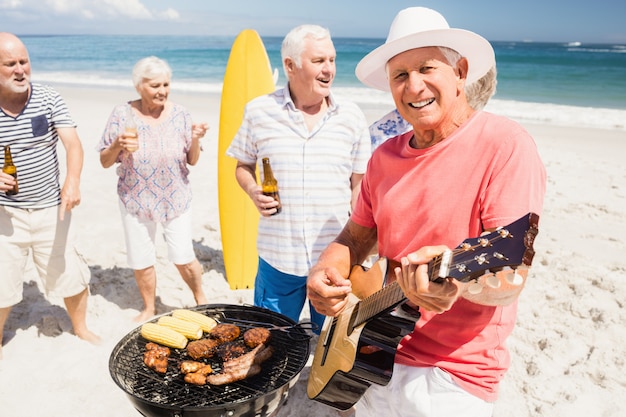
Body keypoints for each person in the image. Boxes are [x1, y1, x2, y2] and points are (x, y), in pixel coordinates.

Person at [307, 7, 546, 417]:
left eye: (426, 67)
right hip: (371, 353)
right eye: (399, 75)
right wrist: (325, 270)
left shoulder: (504, 145)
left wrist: (456, 286)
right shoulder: (383, 158)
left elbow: (511, 276)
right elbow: (357, 236)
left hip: (454, 376)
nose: (413, 85)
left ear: (461, 72)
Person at [226, 24, 371, 331]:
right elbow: (242, 166)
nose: (329, 69)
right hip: (278, 257)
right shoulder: (259, 111)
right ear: (290, 66)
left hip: (336, 259)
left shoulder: (352, 116)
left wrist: (362, 252)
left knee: (333, 344)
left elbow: (360, 188)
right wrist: (253, 191)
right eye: (319, 61)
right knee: (272, 342)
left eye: (331, 60)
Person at [0, 32, 101, 359]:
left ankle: (82, 328)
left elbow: (72, 144)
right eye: (9, 64)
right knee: (2, 282)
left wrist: (72, 181)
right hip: (5, 214)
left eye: (23, 62)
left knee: (69, 272)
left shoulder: (49, 98)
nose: (19, 70)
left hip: (51, 209)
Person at [98, 56, 209, 323]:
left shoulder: (181, 114)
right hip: (134, 197)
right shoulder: (121, 114)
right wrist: (116, 145)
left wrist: (194, 138)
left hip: (175, 196)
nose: (162, 91)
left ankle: (200, 297)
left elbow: (192, 160)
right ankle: (150, 307)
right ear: (139, 86)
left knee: (183, 255)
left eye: (166, 84)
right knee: (141, 257)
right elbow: (104, 161)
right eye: (154, 85)